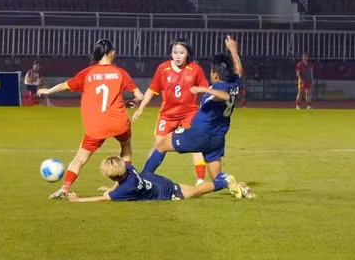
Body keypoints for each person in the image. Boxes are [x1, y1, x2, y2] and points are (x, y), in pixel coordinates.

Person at [141, 36, 255, 199]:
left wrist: (204, 90)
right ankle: (228, 182)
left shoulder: (217, 88)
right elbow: (238, 71)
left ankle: (142, 179)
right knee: (217, 176)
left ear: (215, 75)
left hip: (199, 135)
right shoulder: (235, 82)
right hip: (217, 139)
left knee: (161, 145)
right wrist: (233, 50)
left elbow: (223, 95)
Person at [37, 39, 144, 199]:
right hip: (119, 122)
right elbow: (140, 96)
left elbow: (65, 86)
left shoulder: (87, 73)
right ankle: (126, 183)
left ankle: (65, 188)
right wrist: (133, 103)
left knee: (80, 158)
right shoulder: (120, 72)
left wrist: (47, 91)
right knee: (125, 146)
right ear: (111, 52)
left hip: (96, 126)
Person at [132, 38, 210, 185]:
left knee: (195, 144)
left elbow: (205, 91)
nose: (178, 56)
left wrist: (205, 111)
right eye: (175, 52)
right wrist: (140, 108)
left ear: (188, 53)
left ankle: (200, 181)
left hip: (189, 114)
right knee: (157, 146)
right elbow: (152, 90)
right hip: (167, 115)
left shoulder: (195, 70)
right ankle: (144, 178)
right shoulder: (163, 69)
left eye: (181, 52)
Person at [66, 157, 243, 203]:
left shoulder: (125, 189)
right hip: (158, 181)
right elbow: (118, 183)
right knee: (195, 191)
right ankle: (228, 182)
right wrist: (111, 188)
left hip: (166, 192)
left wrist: (78, 200)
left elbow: (103, 199)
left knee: (198, 191)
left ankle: (225, 181)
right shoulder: (127, 167)